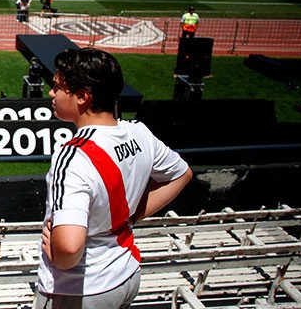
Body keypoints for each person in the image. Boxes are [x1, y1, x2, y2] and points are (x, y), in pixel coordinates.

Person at [36, 48, 193, 309]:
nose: (51, 94)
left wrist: (57, 254)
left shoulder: (72, 157)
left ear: (83, 96)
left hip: (78, 291)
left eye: (57, 87)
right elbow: (182, 174)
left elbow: (70, 248)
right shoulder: (139, 133)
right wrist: (130, 216)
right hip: (127, 274)